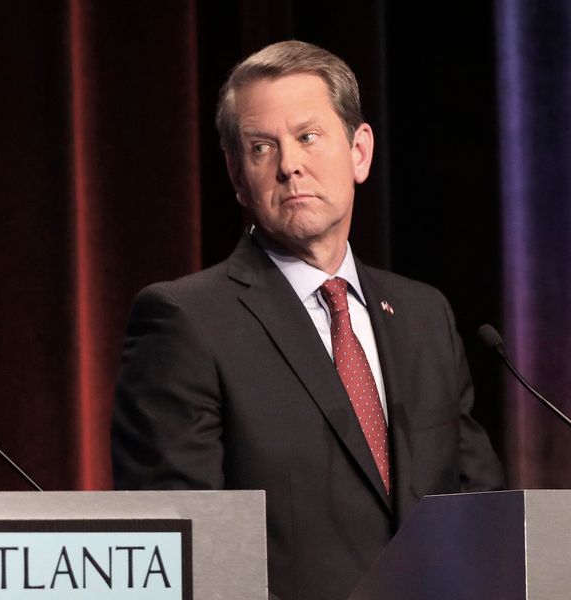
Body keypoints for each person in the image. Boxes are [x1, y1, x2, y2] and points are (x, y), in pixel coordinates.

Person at [111, 40, 504, 600]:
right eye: (261, 147)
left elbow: (479, 508)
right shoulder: (185, 321)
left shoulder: (424, 315)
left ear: (360, 151)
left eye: (308, 136)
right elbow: (183, 548)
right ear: (236, 174)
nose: (289, 164)